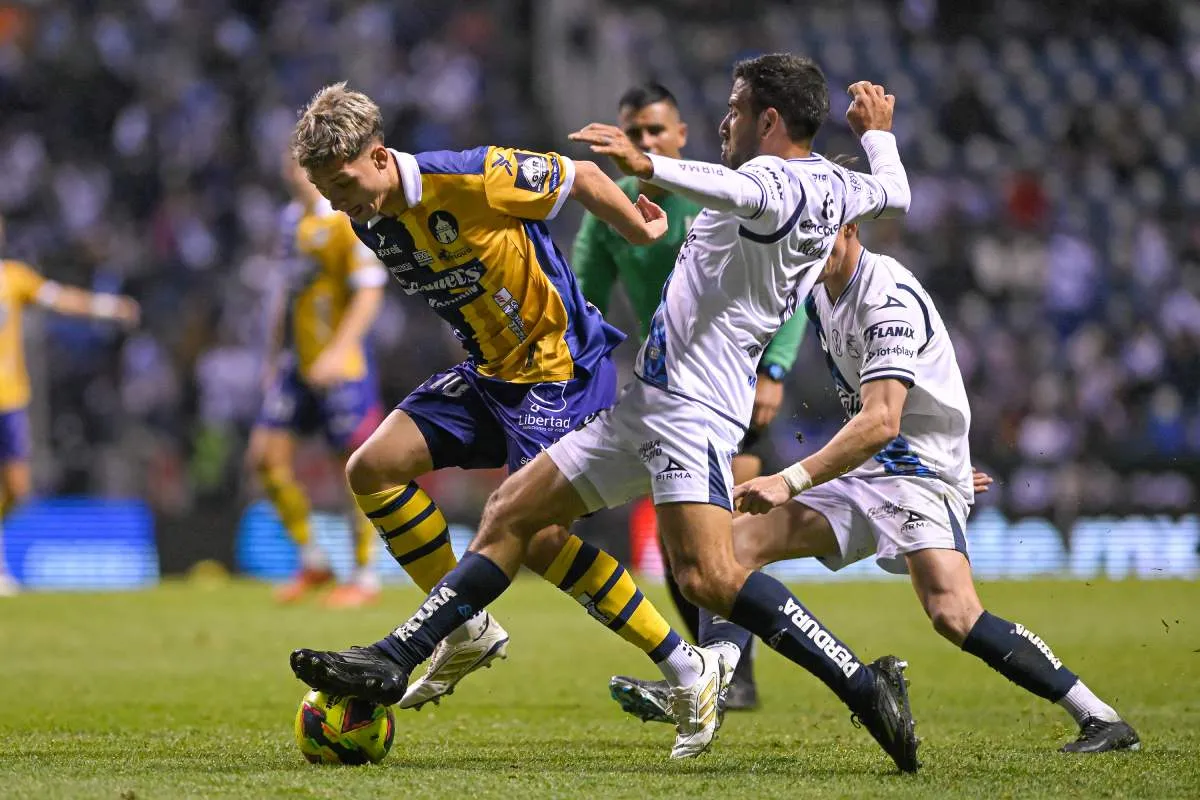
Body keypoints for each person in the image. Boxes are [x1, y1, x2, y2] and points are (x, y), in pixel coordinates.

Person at [290, 56, 923, 770]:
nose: (725, 120)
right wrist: (878, 137)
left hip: (693, 407)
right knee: (512, 515)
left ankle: (865, 685)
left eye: (738, 108)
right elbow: (894, 193)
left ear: (770, 122)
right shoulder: (839, 187)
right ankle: (401, 652)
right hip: (653, 398)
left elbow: (726, 185)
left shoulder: (772, 182)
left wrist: (646, 163)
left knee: (708, 577)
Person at [608, 218, 1141, 754]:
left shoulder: (888, 300)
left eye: (820, 232)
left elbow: (883, 420)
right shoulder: (818, 288)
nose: (807, 246)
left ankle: (1100, 718)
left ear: (851, 227)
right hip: (868, 469)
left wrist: (790, 480)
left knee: (953, 613)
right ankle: (713, 681)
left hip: (917, 474)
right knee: (732, 549)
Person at [284, 82, 714, 725]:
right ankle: (466, 630)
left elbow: (584, 176)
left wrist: (639, 227)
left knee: (538, 538)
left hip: (559, 371)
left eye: (343, 184)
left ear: (378, 156)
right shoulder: (367, 216)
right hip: (490, 376)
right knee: (370, 468)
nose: (339, 203)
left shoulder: (473, 175)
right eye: (325, 192)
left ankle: (687, 667)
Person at [573, 82, 808, 711]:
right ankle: (724, 671)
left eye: (656, 132)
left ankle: (735, 671)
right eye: (635, 132)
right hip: (673, 394)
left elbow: (787, 286)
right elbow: (582, 303)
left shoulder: (717, 195)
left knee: (725, 535)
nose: (644, 142)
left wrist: (776, 369)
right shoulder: (611, 214)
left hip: (739, 383)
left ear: (679, 137)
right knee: (687, 553)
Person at [247, 157, 389, 608]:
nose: (289, 171)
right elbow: (286, 297)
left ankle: (365, 576)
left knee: (354, 470)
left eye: (296, 163)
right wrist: (273, 356)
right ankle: (315, 560)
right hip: (297, 363)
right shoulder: (290, 222)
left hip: (340, 367)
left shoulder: (347, 220)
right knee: (265, 459)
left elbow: (369, 290)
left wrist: (340, 349)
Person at [0, 215, 140, 595]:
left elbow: (60, 299)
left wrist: (108, 307)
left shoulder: (14, 278)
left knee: (17, 488)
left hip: (10, 399)